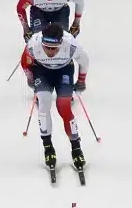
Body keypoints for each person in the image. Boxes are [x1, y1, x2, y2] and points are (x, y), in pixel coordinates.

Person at [20, 23, 88, 172]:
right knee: (44, 103)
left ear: (61, 43)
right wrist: (30, 78)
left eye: (54, 48)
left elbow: (84, 60)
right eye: (47, 48)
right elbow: (24, 62)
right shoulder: (33, 44)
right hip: (42, 72)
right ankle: (48, 147)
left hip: (64, 70)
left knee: (63, 107)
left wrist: (81, 80)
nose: (50, 51)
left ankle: (76, 148)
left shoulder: (70, 43)